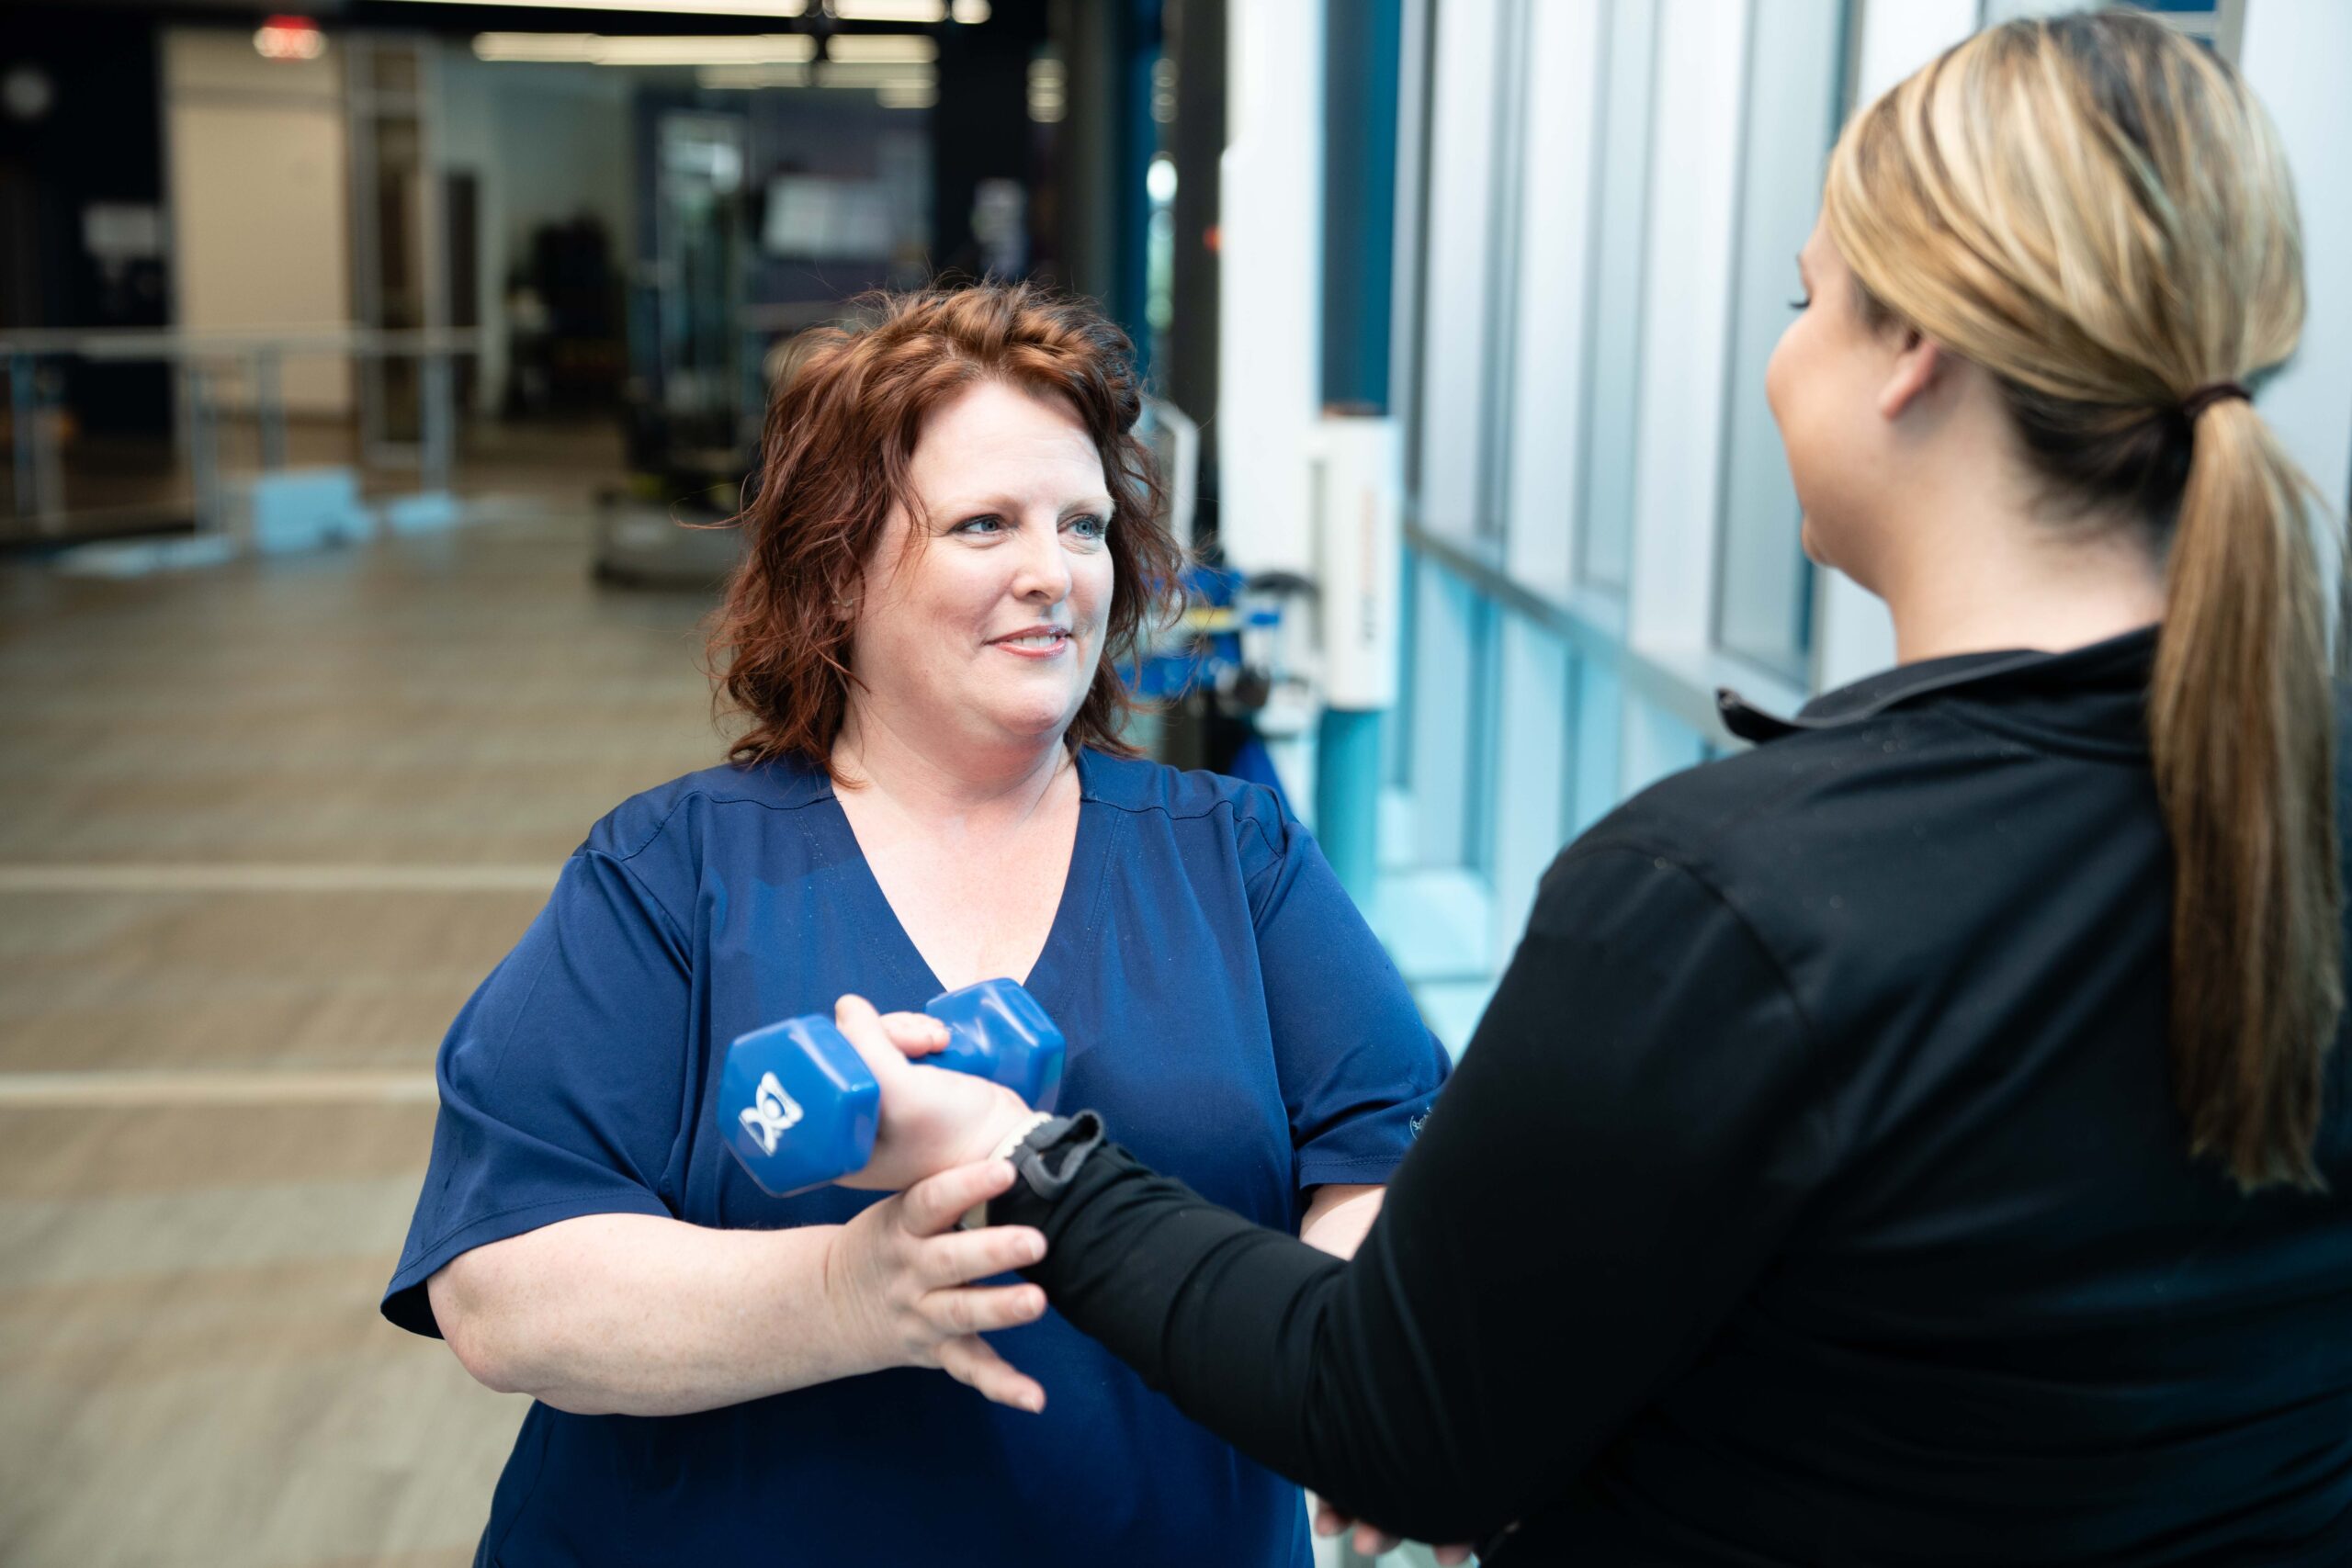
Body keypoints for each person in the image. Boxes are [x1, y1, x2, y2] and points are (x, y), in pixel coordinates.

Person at [834, 14, 2352, 1564]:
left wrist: (1030, 1159)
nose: (1781, 359)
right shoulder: (2293, 806)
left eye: (1805, 301)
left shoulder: (1731, 903)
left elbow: (1392, 1422)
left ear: (1916, 357)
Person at [379, 283, 1450, 1566]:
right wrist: (850, 1291)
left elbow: (1390, 1166)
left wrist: (1360, 1346)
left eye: (1086, 525)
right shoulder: (673, 876)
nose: (1055, 575)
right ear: (837, 572)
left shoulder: (1234, 855)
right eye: (984, 524)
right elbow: (503, 1291)